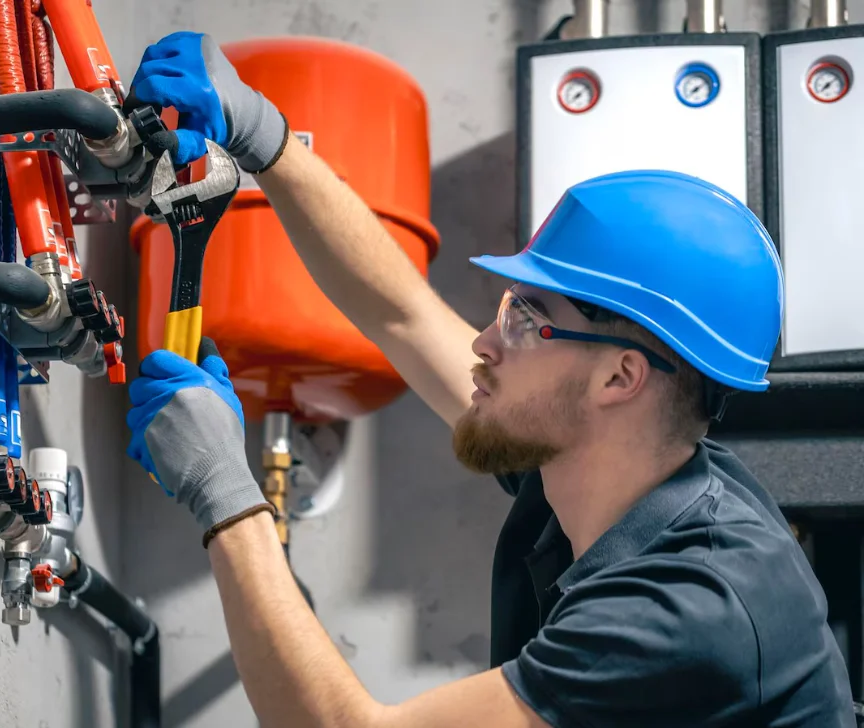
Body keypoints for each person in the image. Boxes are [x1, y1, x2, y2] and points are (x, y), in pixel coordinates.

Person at [123, 31, 856, 727]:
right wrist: (266, 138)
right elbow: (402, 313)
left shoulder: (693, 608)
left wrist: (223, 490)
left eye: (526, 319)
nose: (482, 341)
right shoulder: (606, 465)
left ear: (620, 378)